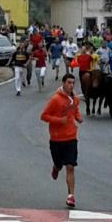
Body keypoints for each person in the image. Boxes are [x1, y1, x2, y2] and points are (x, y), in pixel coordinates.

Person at [40, 73, 83, 208]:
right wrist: (59, 120)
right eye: (69, 83)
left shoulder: (75, 99)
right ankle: (56, 167)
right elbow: (44, 116)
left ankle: (71, 196)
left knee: (70, 167)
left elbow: (75, 111)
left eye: (73, 83)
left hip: (71, 137)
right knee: (59, 164)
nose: (71, 85)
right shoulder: (55, 99)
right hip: (57, 138)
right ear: (63, 83)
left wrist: (78, 118)